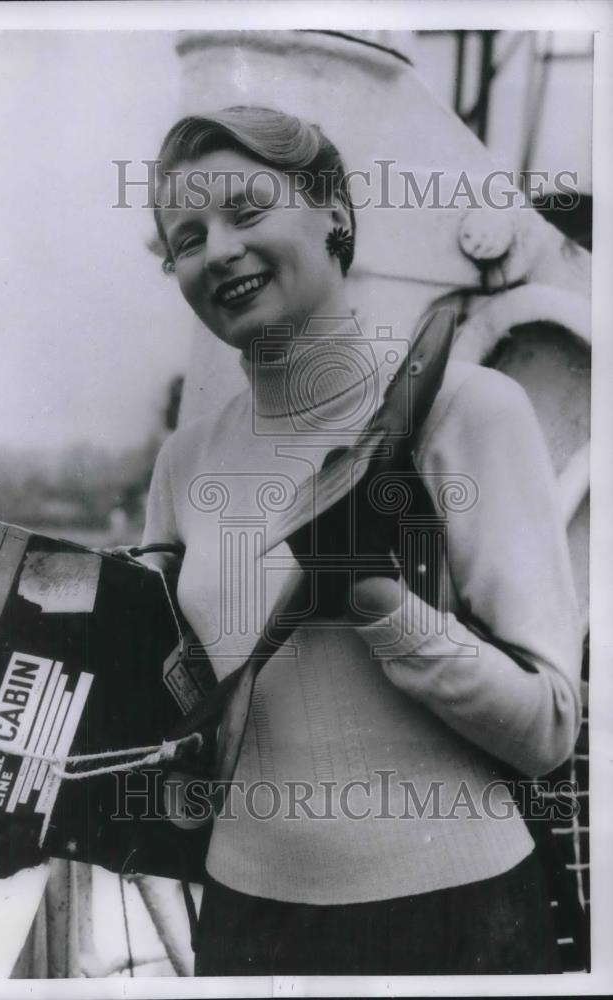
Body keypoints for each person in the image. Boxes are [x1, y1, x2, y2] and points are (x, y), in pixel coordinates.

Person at [139, 105, 582, 976]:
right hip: (244, 925)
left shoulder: (467, 408)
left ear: (333, 212)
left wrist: (379, 602)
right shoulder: (183, 462)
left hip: (457, 921)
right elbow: (163, 708)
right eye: (186, 237)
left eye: (246, 210)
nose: (217, 248)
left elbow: (550, 728)